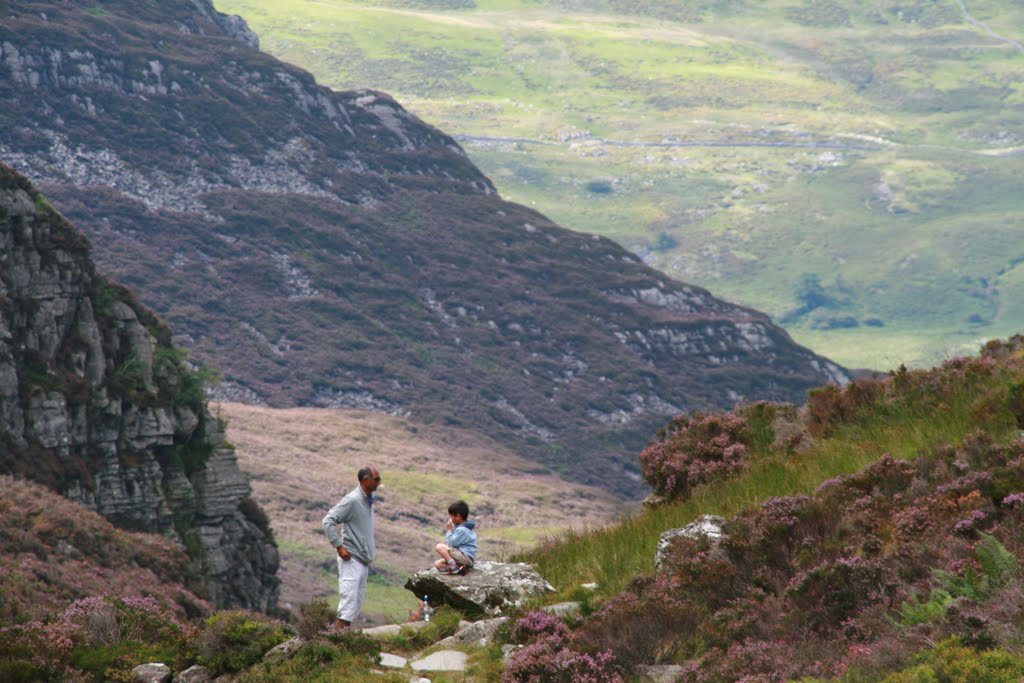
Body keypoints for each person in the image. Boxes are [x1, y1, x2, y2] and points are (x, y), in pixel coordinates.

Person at [322, 466, 380, 628]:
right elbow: (328, 521)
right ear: (365, 481)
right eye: (376, 479)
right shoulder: (352, 500)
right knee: (347, 607)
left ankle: (342, 643)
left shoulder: (369, 499)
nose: (379, 482)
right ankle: (335, 644)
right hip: (351, 559)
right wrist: (339, 547)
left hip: (362, 561)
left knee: (354, 607)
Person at [434, 499, 477, 574]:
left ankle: (454, 567)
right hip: (463, 558)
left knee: (439, 547)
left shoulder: (462, 530)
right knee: (438, 564)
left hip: (465, 557)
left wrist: (449, 530)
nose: (450, 518)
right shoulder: (464, 527)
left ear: (458, 516)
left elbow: (451, 544)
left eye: (451, 516)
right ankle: (460, 569)